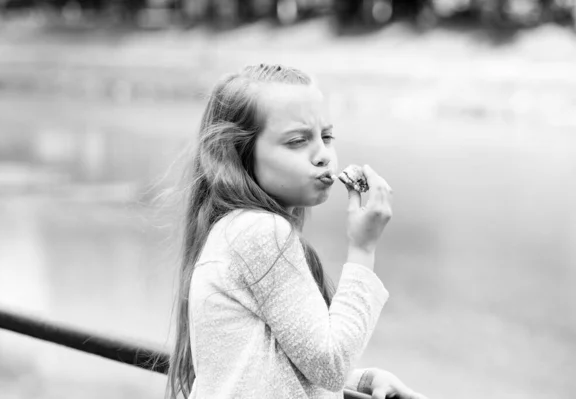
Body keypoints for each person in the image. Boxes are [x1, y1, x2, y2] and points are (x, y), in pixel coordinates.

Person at [165, 63, 428, 399]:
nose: (323, 155)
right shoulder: (259, 232)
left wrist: (360, 382)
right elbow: (330, 366)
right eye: (297, 141)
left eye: (327, 136)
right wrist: (363, 248)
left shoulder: (235, 229)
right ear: (236, 154)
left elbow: (270, 366)